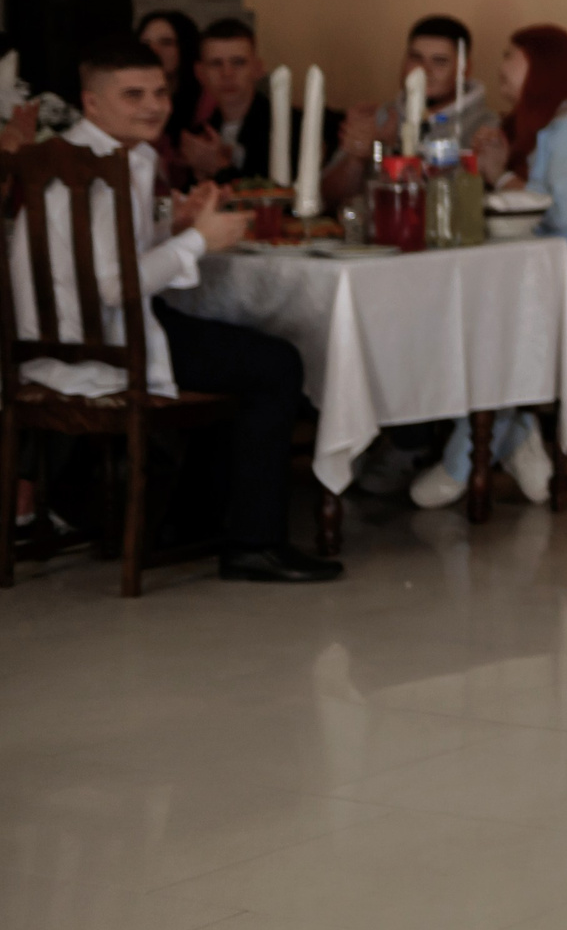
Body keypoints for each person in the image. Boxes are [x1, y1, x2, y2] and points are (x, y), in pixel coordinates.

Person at [7, 37, 340, 582]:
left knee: (235, 348)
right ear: (91, 104)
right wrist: (198, 243)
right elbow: (113, 285)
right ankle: (253, 543)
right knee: (275, 363)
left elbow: (100, 250)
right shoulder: (105, 166)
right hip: (104, 348)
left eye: (160, 92)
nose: (153, 106)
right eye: (133, 94)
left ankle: (186, 523)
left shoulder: (69, 155)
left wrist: (174, 225)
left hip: (55, 339)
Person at [409, 25, 567, 511]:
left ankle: (463, 462)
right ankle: (517, 433)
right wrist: (489, 168)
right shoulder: (534, 128)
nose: (501, 69)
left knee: (487, 336)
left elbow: (557, 213)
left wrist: (501, 173)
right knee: (455, 323)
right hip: (520, 286)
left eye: (512, 58)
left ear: (544, 70)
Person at [322, 14, 496, 206]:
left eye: (439, 62)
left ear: (464, 68)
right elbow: (326, 197)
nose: (424, 71)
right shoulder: (382, 116)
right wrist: (356, 158)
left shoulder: (485, 125)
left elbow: (465, 202)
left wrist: (392, 151)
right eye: (416, 58)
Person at [179, 17, 336, 185]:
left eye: (238, 62)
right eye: (216, 64)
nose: (227, 73)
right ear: (200, 73)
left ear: (257, 68)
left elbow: (280, 193)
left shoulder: (294, 126)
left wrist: (220, 167)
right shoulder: (199, 133)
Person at [137, 9, 206, 182]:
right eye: (145, 44)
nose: (154, 50)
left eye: (166, 43)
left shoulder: (205, 102)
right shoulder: (129, 102)